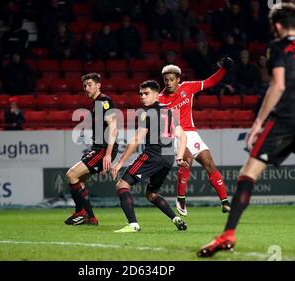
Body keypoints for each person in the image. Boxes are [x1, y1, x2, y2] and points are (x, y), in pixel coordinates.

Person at [197, 3, 295, 257]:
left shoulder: (278, 47)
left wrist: (257, 124)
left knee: (248, 174)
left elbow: (276, 86)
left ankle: (228, 234)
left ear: (276, 25)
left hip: (286, 118)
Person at [110, 80, 189, 233]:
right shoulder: (169, 111)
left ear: (156, 94)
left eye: (146, 94)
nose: (142, 97)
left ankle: (133, 224)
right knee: (152, 194)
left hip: (153, 155)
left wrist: (119, 163)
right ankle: (175, 218)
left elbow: (135, 140)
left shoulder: (146, 113)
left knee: (122, 185)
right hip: (168, 158)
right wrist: (179, 157)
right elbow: (183, 136)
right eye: (140, 94)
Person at [158, 57, 234, 217]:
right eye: (166, 80)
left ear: (178, 80)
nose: (168, 83)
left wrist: (224, 69)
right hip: (175, 135)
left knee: (209, 163)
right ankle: (180, 198)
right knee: (187, 159)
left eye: (171, 80)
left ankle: (225, 202)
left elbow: (210, 82)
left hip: (191, 133)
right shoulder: (160, 99)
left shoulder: (188, 87)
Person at [64, 73, 118, 226]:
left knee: (71, 174)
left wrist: (107, 155)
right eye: (85, 86)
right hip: (99, 148)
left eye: (90, 85)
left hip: (102, 149)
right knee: (79, 181)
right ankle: (91, 218)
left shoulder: (103, 102)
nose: (86, 88)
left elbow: (114, 128)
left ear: (98, 85)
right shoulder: (96, 103)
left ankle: (80, 212)